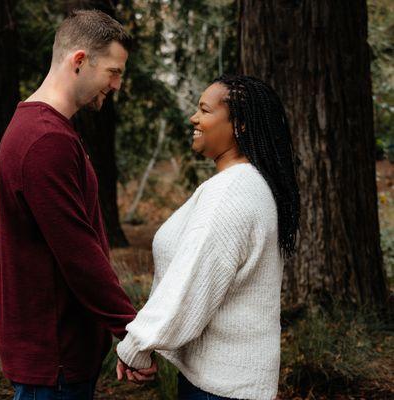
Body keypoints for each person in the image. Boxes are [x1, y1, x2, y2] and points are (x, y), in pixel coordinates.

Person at [0, 10, 157, 400]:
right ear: (79, 61)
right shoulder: (46, 141)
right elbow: (80, 256)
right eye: (113, 72)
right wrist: (134, 336)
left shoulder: (39, 128)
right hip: (54, 360)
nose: (117, 85)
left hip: (54, 357)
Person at [116, 75, 300, 400]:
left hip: (221, 388)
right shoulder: (247, 184)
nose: (194, 118)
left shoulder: (231, 193)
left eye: (204, 110)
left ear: (239, 125)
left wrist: (136, 346)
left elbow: (191, 284)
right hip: (228, 382)